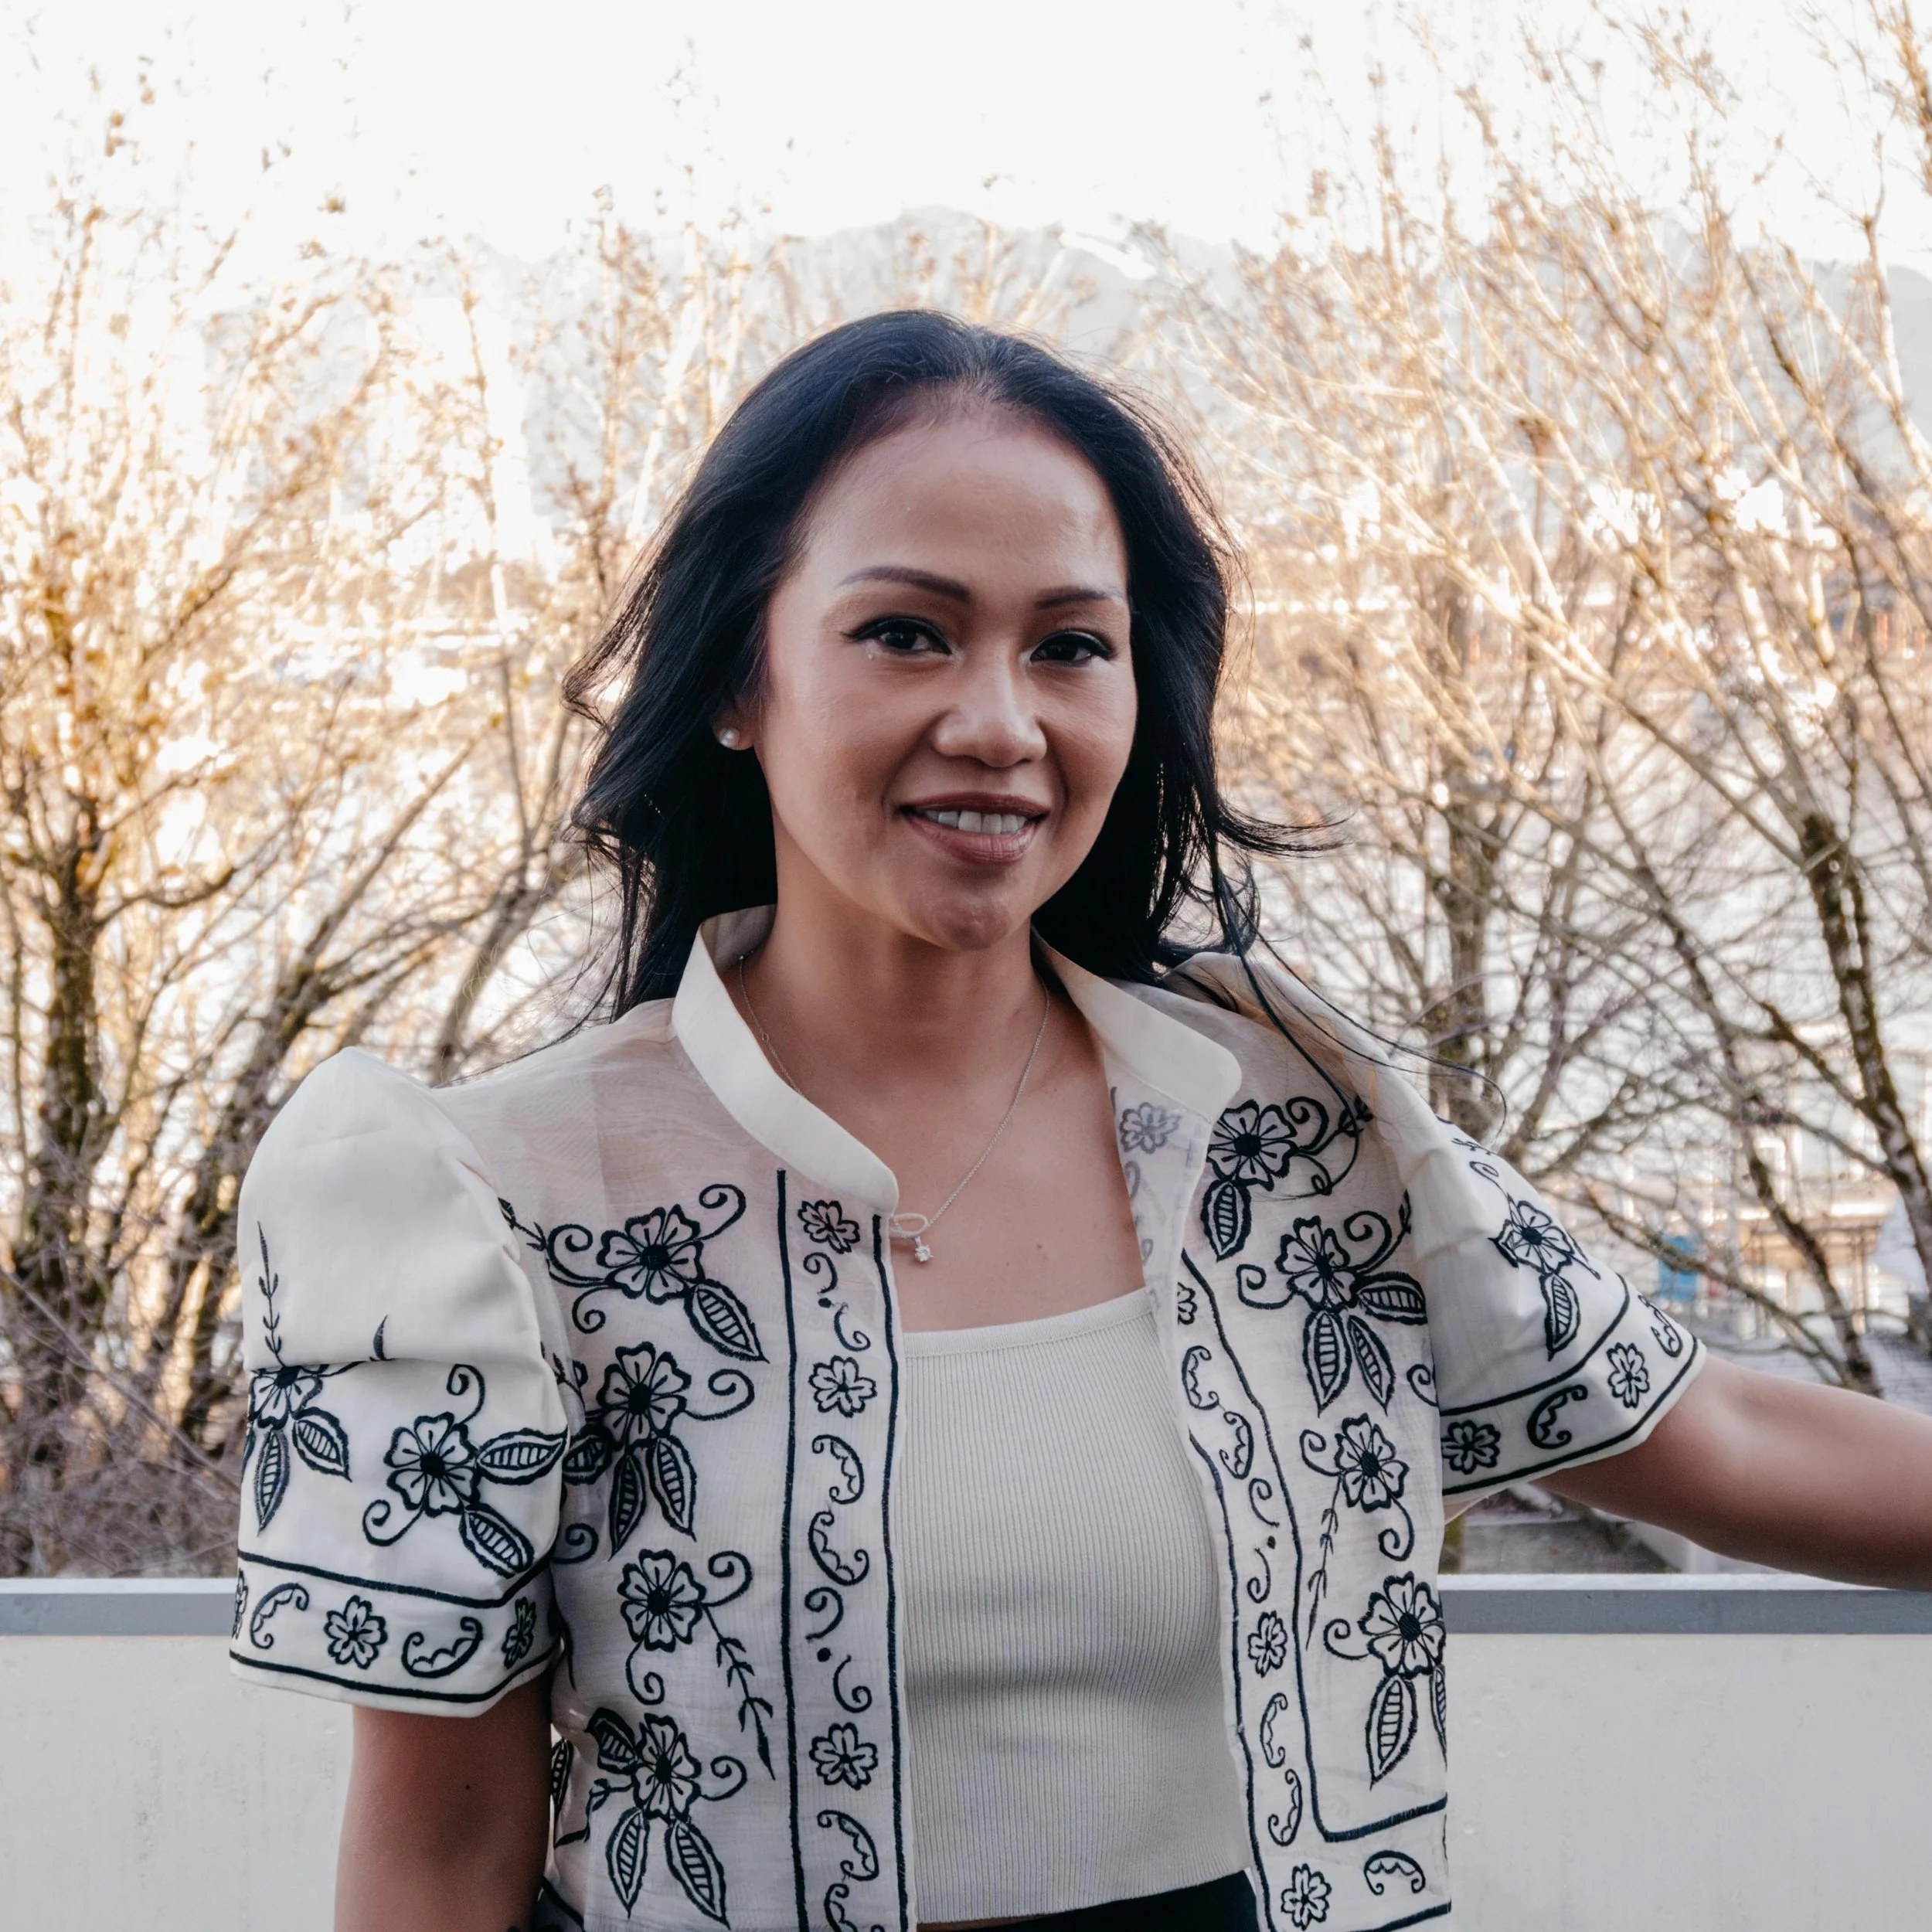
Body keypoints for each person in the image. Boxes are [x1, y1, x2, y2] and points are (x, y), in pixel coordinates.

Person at [229, 311, 1932, 1932]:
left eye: (1069, 645)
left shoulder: (1291, 1131)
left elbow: (1715, 1436)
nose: (999, 723)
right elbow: (440, 1852)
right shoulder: (498, 1202)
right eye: (907, 631)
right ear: (737, 680)